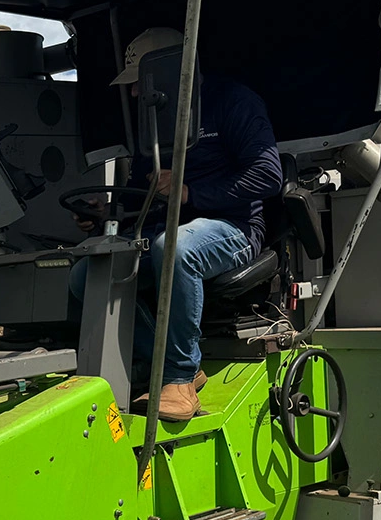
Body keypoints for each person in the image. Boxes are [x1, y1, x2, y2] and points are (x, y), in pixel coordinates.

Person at [77, 27, 284, 420]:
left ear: (170, 71)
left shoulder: (232, 101)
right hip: (162, 227)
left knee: (176, 247)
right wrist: (107, 213)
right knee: (84, 276)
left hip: (233, 226)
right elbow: (144, 190)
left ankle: (180, 377)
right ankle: (160, 364)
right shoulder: (153, 123)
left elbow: (267, 176)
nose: (134, 92)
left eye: (140, 81)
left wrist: (189, 193)